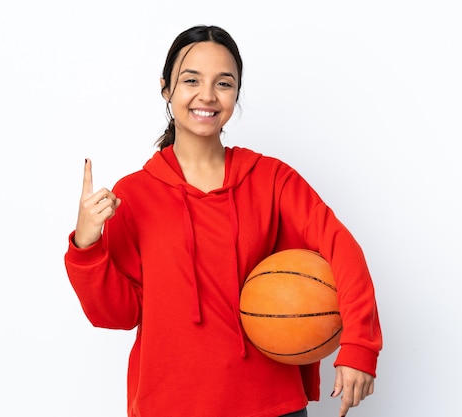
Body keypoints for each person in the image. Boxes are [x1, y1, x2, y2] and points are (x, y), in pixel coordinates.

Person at [64, 25, 382, 417]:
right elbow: (116, 314)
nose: (208, 95)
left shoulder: (271, 179)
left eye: (224, 83)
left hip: (272, 406)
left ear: (236, 93)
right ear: (166, 88)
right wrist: (86, 245)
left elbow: (340, 248)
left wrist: (360, 345)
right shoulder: (134, 195)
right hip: (169, 406)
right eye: (191, 79)